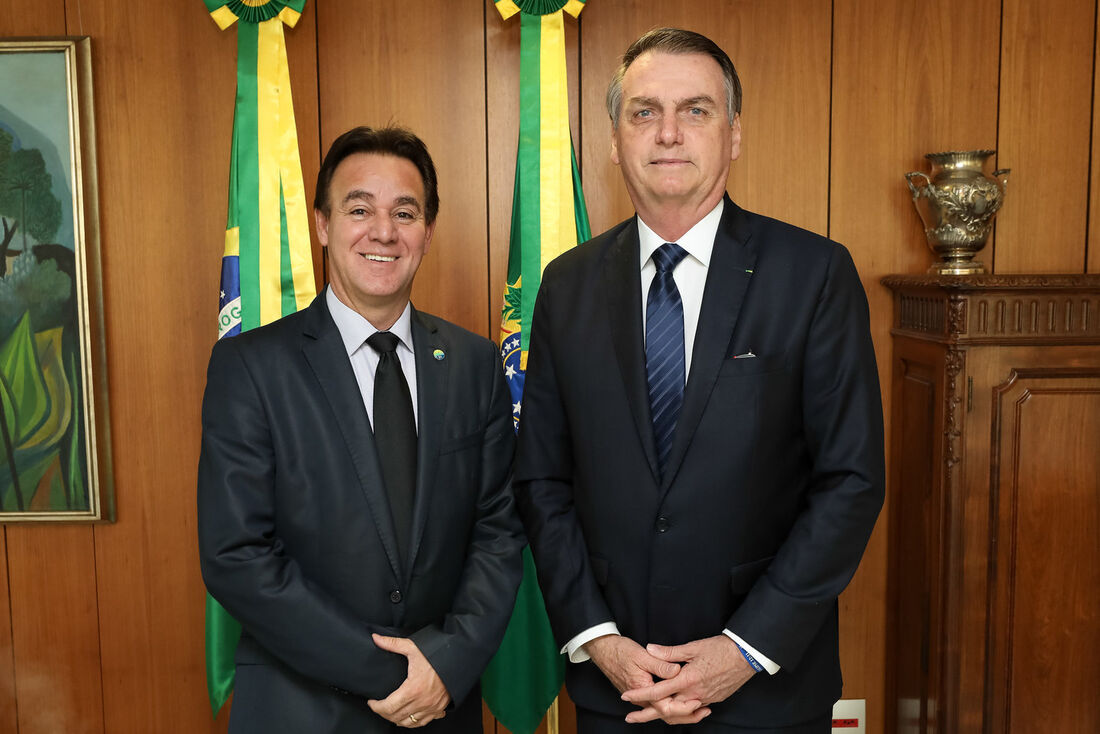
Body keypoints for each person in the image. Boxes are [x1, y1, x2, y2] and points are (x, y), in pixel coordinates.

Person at [514, 28, 885, 733]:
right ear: (615, 139)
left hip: (765, 691)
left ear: (734, 134)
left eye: (696, 110)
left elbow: (851, 480)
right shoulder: (567, 286)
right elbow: (542, 480)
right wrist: (598, 638)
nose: (669, 134)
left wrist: (743, 651)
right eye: (644, 112)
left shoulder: (814, 275)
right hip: (616, 688)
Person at [198, 126, 524, 733]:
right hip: (301, 708)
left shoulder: (476, 365)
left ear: (427, 232)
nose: (383, 232)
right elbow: (236, 555)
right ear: (322, 224)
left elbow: (498, 534)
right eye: (359, 209)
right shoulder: (251, 367)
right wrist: (391, 675)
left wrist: (445, 665)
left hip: (442, 707)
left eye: (405, 212)